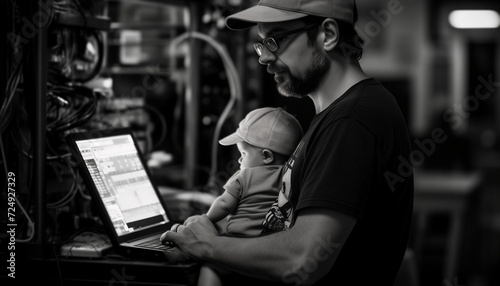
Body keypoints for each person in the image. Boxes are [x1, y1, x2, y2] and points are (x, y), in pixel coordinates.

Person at [161, 0, 414, 285]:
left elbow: (302, 260)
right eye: (260, 44)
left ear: (328, 35)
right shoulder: (336, 115)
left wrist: (207, 245)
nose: (264, 58)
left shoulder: (351, 122)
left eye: (275, 40)